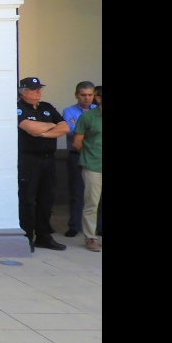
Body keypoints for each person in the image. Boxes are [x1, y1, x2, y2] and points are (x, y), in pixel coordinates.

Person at [16, 76, 70, 252]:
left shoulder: (46, 107)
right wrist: (50, 126)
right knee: (28, 200)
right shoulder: (18, 108)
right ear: (23, 91)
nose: (38, 91)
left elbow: (65, 127)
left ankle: (44, 236)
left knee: (46, 199)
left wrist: (43, 133)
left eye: (40, 88)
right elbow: (29, 128)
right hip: (28, 160)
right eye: (34, 89)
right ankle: (27, 236)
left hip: (48, 159)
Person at [62, 81, 96, 238]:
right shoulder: (69, 111)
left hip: (95, 157)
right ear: (77, 95)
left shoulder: (97, 110)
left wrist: (80, 128)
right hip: (76, 155)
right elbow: (70, 132)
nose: (87, 98)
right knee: (77, 192)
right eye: (83, 95)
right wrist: (88, 130)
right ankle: (74, 226)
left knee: (96, 193)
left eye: (90, 95)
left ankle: (97, 227)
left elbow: (81, 131)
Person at [72, 85, 103, 252]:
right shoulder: (88, 117)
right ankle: (90, 237)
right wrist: (90, 154)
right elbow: (77, 142)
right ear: (99, 98)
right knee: (92, 203)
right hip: (93, 165)